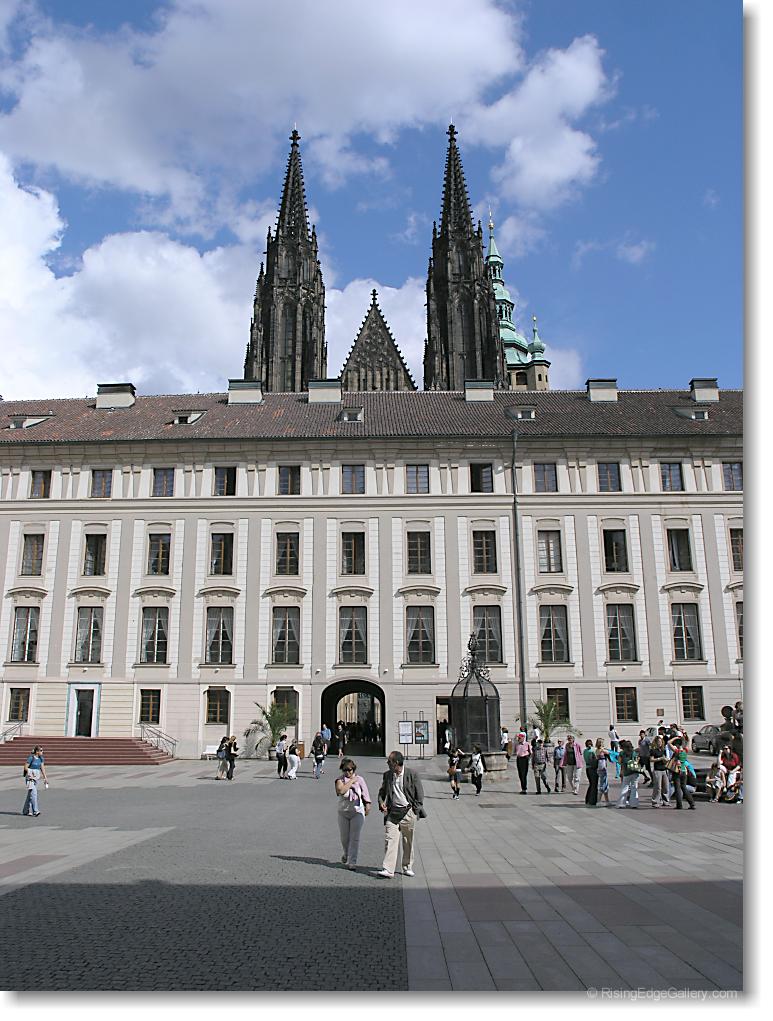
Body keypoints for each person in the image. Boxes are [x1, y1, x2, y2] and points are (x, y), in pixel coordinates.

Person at [377, 750, 426, 879]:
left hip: (408, 811)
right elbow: (382, 792)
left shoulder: (412, 774)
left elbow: (419, 794)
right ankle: (388, 869)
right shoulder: (388, 775)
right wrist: (381, 802)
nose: (387, 763)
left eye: (389, 761)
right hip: (393, 812)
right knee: (390, 840)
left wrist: (415, 810)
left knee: (407, 841)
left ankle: (407, 866)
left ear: (396, 763)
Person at [335, 758, 371, 870]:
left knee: (355, 837)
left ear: (353, 769)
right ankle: (346, 854)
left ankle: (352, 861)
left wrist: (367, 805)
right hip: (343, 812)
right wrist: (351, 781)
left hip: (357, 812)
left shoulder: (360, 780)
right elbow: (341, 791)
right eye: (345, 770)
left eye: (350, 770)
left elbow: (365, 793)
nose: (348, 772)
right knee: (345, 838)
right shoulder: (339, 780)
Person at [667, 737, 696, 810]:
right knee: (684, 787)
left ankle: (679, 805)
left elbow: (668, 743)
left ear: (677, 745)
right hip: (684, 770)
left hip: (677, 771)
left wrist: (675, 738)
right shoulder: (685, 750)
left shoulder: (677, 751)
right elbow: (687, 742)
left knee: (677, 788)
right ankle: (692, 803)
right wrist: (683, 738)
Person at [22, 745, 48, 817]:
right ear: (37, 751)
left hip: (36, 777)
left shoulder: (41, 758)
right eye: (41, 750)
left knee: (30, 795)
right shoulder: (31, 758)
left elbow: (42, 768)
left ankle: (25, 811)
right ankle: (35, 811)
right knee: (34, 794)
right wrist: (31, 772)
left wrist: (45, 778)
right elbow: (25, 767)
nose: (42, 752)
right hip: (30, 778)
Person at [616, 740, 642, 808]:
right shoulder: (634, 753)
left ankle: (622, 803)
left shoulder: (622, 753)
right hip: (634, 772)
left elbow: (619, 762)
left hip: (626, 772)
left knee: (625, 788)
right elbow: (637, 760)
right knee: (634, 788)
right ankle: (634, 804)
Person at [649, 735, 669, 807]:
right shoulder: (653, 750)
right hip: (657, 770)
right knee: (658, 787)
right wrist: (659, 759)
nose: (660, 743)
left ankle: (665, 801)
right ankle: (655, 802)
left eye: (661, 742)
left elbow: (665, 759)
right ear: (656, 742)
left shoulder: (663, 750)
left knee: (666, 786)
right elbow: (651, 759)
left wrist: (666, 760)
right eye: (658, 742)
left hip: (664, 769)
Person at [594, 739, 610, 804]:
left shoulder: (597, 750)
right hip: (602, 767)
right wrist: (604, 749)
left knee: (605, 783)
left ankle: (607, 800)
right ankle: (599, 800)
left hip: (600, 767)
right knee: (603, 784)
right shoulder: (601, 750)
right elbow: (608, 752)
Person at [583, 739, 598, 806]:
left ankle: (587, 799)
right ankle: (592, 800)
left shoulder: (585, 751)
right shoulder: (592, 751)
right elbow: (594, 759)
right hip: (593, 768)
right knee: (594, 785)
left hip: (587, 768)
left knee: (591, 784)